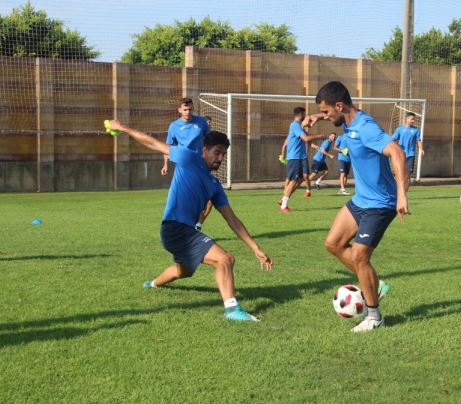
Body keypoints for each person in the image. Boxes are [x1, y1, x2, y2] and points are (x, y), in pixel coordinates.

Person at [107, 119, 273, 322]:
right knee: (225, 259)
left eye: (223, 155)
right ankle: (232, 310)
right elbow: (152, 143)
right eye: (217, 152)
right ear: (204, 150)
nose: (220, 158)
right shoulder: (187, 157)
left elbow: (233, 220)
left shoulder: (214, 184)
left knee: (183, 270)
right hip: (175, 228)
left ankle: (153, 284)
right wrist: (123, 128)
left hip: (183, 233)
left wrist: (255, 248)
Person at [303, 81, 409, 333]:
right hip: (361, 200)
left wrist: (402, 195)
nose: (327, 117)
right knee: (333, 244)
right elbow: (339, 114)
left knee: (360, 256)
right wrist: (318, 115)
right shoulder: (349, 121)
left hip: (381, 203)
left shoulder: (366, 128)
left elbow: (397, 153)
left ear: (339, 106)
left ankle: (374, 317)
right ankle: (374, 284)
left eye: (328, 112)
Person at [162, 98, 212, 230]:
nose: (188, 112)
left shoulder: (201, 122)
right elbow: (168, 147)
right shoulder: (174, 126)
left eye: (190, 109)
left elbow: (210, 141)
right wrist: (165, 164)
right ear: (179, 110)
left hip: (202, 167)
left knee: (210, 201)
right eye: (185, 109)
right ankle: (185, 226)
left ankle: (197, 225)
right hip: (185, 168)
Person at [279, 107, 325, 213]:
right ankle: (283, 206)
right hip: (294, 157)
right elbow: (306, 139)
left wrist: (315, 119)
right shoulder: (294, 125)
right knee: (293, 180)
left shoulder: (299, 127)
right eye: (305, 114)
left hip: (299, 157)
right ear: (301, 114)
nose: (306, 116)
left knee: (299, 180)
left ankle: (283, 200)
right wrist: (320, 136)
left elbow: (307, 132)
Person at [391, 112, 424, 189]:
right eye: (412, 119)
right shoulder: (399, 129)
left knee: (408, 174)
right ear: (407, 118)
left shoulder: (416, 130)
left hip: (411, 154)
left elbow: (418, 140)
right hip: (401, 154)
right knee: (399, 173)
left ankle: (405, 192)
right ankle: (399, 189)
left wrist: (421, 149)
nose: (413, 121)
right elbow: (393, 139)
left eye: (414, 119)